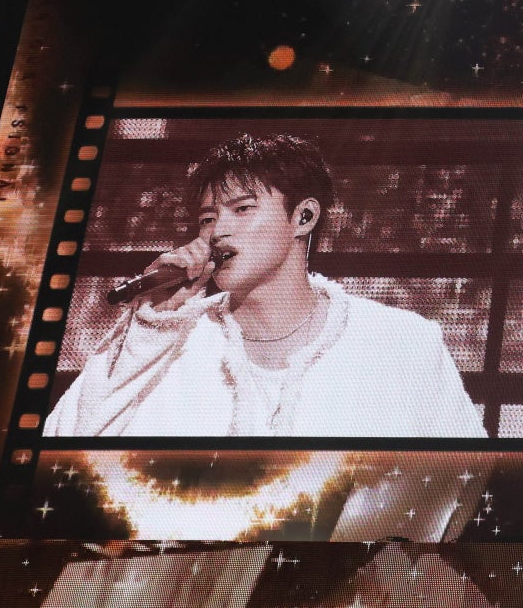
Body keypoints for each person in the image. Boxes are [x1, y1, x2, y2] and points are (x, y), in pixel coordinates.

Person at [46, 133, 484, 438]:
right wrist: (151, 325)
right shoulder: (171, 335)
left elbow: (463, 482)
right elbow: (69, 445)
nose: (218, 231)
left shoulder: (401, 342)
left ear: (304, 217)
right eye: (207, 218)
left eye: (242, 209)